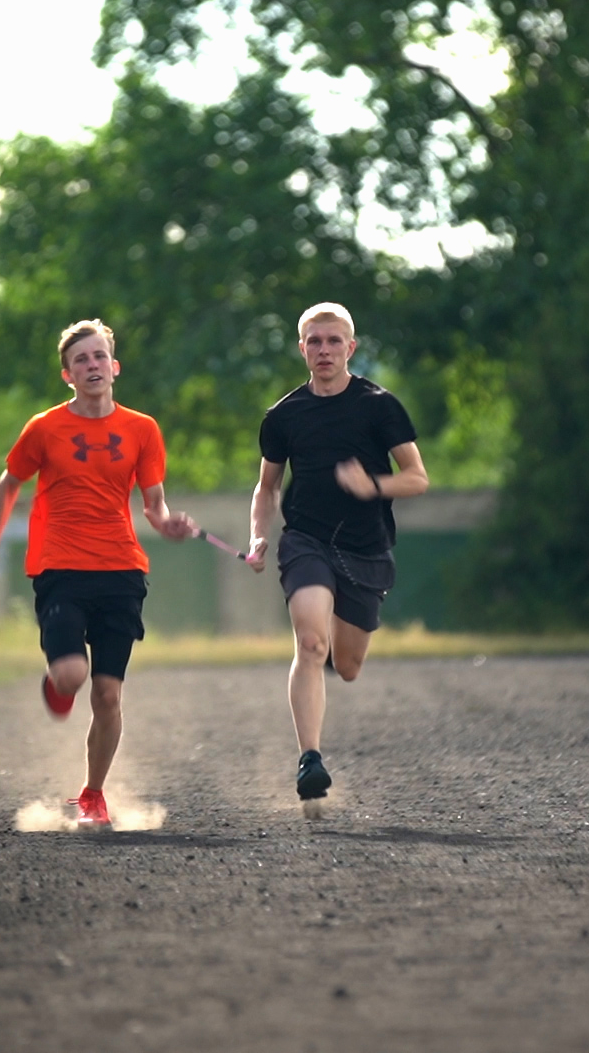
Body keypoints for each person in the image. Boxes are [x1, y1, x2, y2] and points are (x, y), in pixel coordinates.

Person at [0, 319, 198, 830]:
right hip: (61, 567)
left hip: (121, 571)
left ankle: (93, 794)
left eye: (99, 357)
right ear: (67, 375)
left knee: (108, 694)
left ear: (113, 367)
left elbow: (154, 506)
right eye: (81, 360)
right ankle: (58, 682)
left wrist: (170, 524)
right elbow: (8, 486)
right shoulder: (44, 428)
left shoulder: (143, 429)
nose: (92, 366)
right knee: (73, 676)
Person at [247, 302, 428, 817]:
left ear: (350, 347)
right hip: (305, 539)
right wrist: (259, 535)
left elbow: (417, 477)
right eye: (313, 341)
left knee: (345, 666)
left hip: (366, 548)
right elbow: (267, 487)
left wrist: (374, 485)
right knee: (309, 640)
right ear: (301, 348)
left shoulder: (379, 406)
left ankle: (329, 648)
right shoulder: (283, 416)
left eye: (333, 341)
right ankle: (310, 760)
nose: (323, 350)